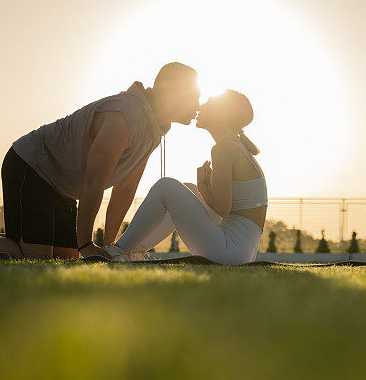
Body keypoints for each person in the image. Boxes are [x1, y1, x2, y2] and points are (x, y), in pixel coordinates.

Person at [0, 63, 200, 260]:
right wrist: (86, 244)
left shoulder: (153, 131)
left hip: (62, 185)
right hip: (32, 167)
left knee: (65, 260)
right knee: (36, 258)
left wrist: (110, 248)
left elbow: (124, 189)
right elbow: (94, 181)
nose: (199, 104)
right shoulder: (126, 116)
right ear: (172, 94)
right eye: (194, 95)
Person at [107, 90, 267, 265]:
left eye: (208, 103)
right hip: (239, 252)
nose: (200, 106)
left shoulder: (224, 149)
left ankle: (118, 250)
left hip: (228, 252)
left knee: (166, 186)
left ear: (221, 115)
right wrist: (201, 187)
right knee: (188, 189)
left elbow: (222, 208)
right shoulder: (234, 146)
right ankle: (135, 250)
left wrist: (203, 187)